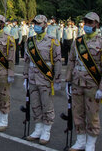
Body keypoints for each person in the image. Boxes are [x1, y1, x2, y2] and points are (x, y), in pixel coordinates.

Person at [66, 12, 102, 151]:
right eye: (85, 22)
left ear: (97, 24)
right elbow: (71, 61)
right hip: (77, 83)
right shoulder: (77, 41)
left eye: (90, 22)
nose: (87, 25)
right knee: (77, 112)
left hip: (92, 84)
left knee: (92, 114)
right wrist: (68, 80)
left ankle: (91, 143)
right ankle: (80, 140)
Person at [24, 15, 61, 145]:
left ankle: (46, 130)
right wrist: (25, 77)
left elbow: (57, 62)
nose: (36, 26)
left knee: (47, 105)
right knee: (35, 104)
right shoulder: (29, 41)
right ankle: (38, 128)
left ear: (45, 25)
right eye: (34, 23)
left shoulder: (52, 41)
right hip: (32, 77)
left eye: (39, 24)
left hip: (46, 78)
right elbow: (26, 61)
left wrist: (57, 80)